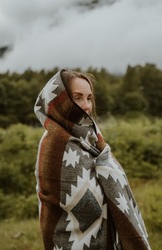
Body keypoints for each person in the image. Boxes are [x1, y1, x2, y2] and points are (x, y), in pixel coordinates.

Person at [34, 69, 151, 250]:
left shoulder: (92, 138)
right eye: (78, 97)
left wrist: (105, 161)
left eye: (89, 98)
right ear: (61, 101)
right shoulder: (54, 143)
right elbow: (85, 204)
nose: (87, 106)